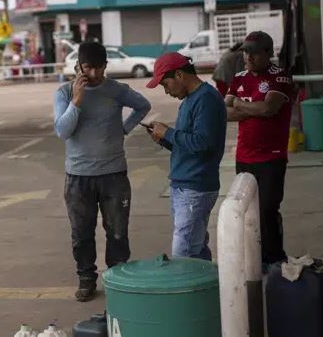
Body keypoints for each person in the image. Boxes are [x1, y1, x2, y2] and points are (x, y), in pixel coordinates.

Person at [53, 42, 152, 301]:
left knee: (117, 230)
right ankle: (86, 278)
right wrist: (77, 100)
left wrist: (124, 128)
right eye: (88, 68)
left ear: (106, 66)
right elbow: (63, 131)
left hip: (113, 174)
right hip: (78, 176)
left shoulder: (117, 90)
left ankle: (118, 277)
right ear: (79, 67)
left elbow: (143, 106)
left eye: (99, 68)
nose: (94, 74)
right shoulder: (64, 93)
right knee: (81, 233)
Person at [146, 53, 226, 260]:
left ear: (179, 75)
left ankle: (191, 291)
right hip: (184, 186)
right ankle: (207, 288)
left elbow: (202, 144)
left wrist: (169, 133)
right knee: (195, 248)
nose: (166, 91)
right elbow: (189, 144)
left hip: (195, 188)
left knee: (183, 253)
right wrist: (164, 139)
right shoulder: (191, 99)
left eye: (166, 84)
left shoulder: (206, 98)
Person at [225, 31, 294, 265]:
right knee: (246, 212)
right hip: (244, 156)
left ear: (268, 53)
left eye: (254, 53)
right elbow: (224, 113)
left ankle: (274, 260)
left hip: (271, 158)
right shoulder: (239, 78)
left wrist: (239, 103)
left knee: (267, 210)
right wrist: (248, 106)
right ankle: (254, 257)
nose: (248, 57)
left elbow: (268, 109)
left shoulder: (280, 77)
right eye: (245, 52)